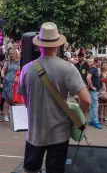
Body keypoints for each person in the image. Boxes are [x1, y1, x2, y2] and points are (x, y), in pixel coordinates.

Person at [17, 22, 91, 173]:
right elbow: (86, 100)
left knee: (30, 170)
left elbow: (25, 102)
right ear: (58, 45)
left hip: (34, 133)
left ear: (39, 46)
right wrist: (78, 115)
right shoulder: (68, 68)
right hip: (59, 133)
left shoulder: (26, 69)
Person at [1, 48, 20, 122]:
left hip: (16, 82)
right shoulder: (7, 62)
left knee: (16, 99)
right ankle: (5, 115)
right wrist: (3, 76)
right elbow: (3, 69)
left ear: (16, 54)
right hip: (8, 81)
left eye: (13, 53)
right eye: (10, 53)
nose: (11, 54)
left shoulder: (19, 63)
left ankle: (15, 115)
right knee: (7, 98)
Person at [87, 57, 102, 129]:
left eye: (100, 63)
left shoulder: (93, 69)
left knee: (93, 106)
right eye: (98, 63)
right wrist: (92, 86)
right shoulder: (93, 69)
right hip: (93, 91)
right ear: (95, 62)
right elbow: (88, 77)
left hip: (93, 91)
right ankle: (95, 122)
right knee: (95, 106)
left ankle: (92, 120)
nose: (99, 64)